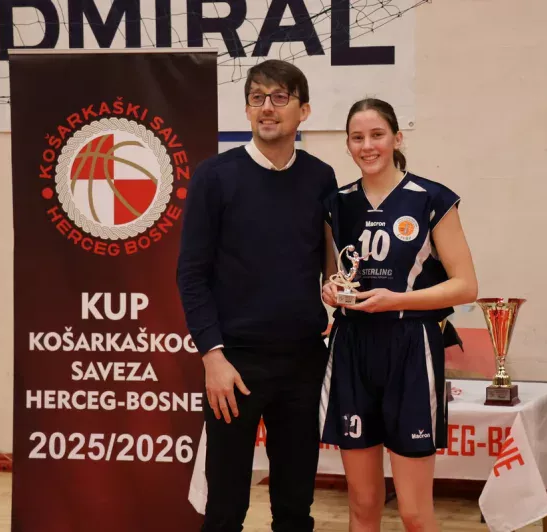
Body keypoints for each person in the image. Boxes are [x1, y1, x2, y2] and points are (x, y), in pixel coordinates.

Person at [177, 59, 338, 532]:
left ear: (303, 110)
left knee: (294, 509)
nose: (267, 107)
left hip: (304, 362)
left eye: (280, 97)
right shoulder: (214, 176)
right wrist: (213, 356)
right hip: (235, 364)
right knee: (225, 510)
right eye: (257, 97)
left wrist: (338, 288)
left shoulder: (321, 177)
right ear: (247, 109)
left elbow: (329, 262)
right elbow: (191, 274)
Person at [320, 98, 479, 532]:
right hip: (352, 346)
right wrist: (330, 290)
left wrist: (397, 300)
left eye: (377, 135)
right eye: (357, 137)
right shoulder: (336, 204)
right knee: (362, 504)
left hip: (411, 346)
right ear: (347, 145)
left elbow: (466, 286)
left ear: (397, 138)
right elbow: (335, 276)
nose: (367, 145)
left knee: (414, 513)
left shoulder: (431, 199)